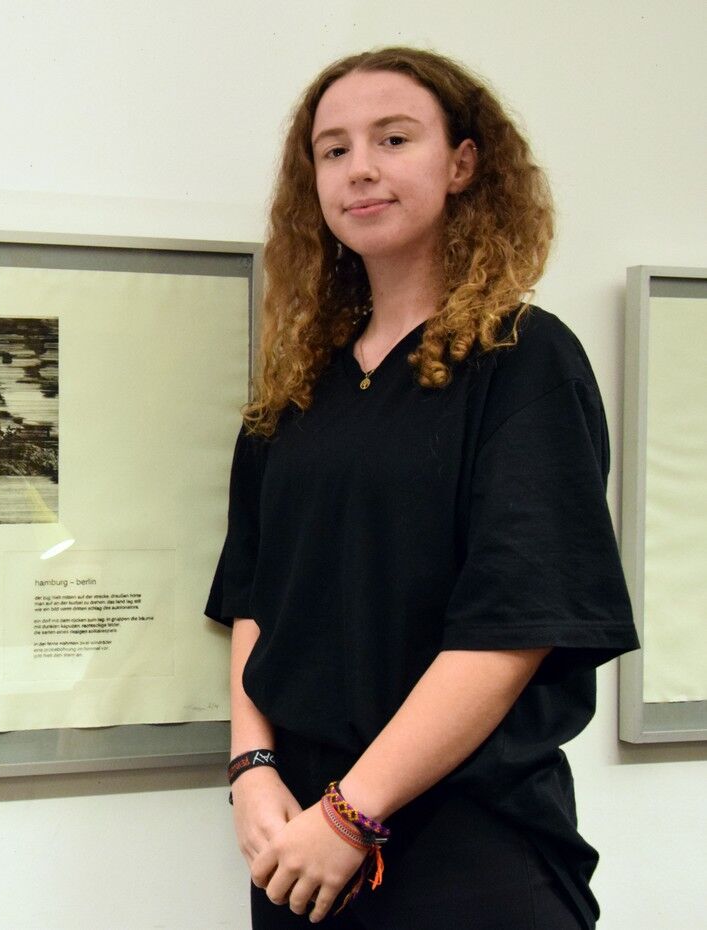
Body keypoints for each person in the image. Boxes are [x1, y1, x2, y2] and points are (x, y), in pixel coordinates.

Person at [205, 47, 638, 929]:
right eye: (333, 150)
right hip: (297, 849)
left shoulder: (524, 361)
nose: (359, 167)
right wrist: (251, 770)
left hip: (466, 844)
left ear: (462, 164)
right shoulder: (299, 382)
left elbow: (511, 627)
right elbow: (252, 593)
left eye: (393, 139)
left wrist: (352, 814)